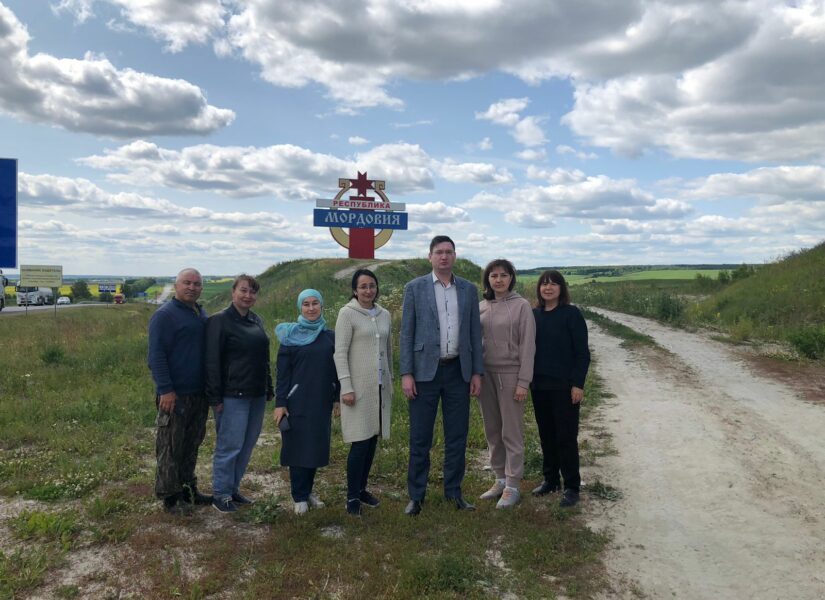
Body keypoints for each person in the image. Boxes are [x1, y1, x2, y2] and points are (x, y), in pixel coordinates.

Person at [400, 235, 484, 516]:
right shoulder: (414, 288)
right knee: (420, 437)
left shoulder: (468, 290)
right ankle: (416, 496)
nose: (444, 256)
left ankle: (454, 492)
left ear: (455, 256)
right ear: (430, 257)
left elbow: (474, 333)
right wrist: (407, 373)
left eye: (449, 252)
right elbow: (407, 333)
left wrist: (476, 372)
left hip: (458, 371)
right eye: (439, 252)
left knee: (457, 436)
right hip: (424, 373)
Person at [205, 274, 274, 514]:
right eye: (243, 290)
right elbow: (211, 361)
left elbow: (263, 358)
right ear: (233, 292)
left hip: (256, 394)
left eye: (252, 292)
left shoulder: (256, 320)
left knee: (246, 445)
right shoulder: (219, 321)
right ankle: (220, 494)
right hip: (232, 395)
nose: (248, 295)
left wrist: (269, 387)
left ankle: (233, 489)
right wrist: (214, 397)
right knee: (230, 446)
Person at [148, 268, 210, 515]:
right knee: (170, 447)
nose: (192, 287)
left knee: (191, 444)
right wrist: (165, 389)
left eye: (197, 284)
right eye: (187, 283)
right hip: (175, 395)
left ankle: (187, 489)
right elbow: (156, 356)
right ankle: (170, 497)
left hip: (199, 393)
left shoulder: (200, 313)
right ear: (176, 286)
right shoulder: (165, 316)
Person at [274, 289, 339, 515]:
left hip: (321, 401)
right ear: (300, 307)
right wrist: (280, 403)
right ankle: (299, 496)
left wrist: (337, 398)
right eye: (306, 304)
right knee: (298, 448)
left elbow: (337, 370)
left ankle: (308, 491)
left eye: (315, 303)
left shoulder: (329, 336)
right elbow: (282, 374)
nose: (311, 308)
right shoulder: (290, 336)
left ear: (321, 306)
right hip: (297, 401)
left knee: (315, 448)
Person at [334, 269, 393, 516]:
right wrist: (346, 387)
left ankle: (362, 489)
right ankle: (351, 497)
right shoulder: (347, 314)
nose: (368, 291)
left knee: (371, 440)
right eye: (363, 287)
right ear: (355, 290)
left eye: (372, 286)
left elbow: (388, 350)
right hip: (357, 389)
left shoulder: (384, 314)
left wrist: (390, 382)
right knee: (359, 443)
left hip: (379, 387)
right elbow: (340, 353)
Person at [477, 259, 535, 509]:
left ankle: (513, 484)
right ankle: (499, 478)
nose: (498, 280)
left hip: (511, 375)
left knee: (511, 431)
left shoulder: (522, 306)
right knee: (492, 429)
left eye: (503, 275)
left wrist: (523, 381)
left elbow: (528, 345)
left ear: (511, 278)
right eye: (494, 275)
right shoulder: (481, 307)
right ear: (488, 280)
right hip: (486, 375)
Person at [531, 270, 590, 508]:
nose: (548, 288)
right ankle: (551, 480)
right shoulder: (533, 315)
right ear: (539, 289)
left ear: (561, 288)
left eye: (553, 284)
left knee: (566, 437)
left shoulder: (571, 314)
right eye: (544, 284)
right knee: (546, 435)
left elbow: (582, 353)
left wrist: (578, 384)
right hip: (539, 385)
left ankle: (572, 486)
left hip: (565, 387)